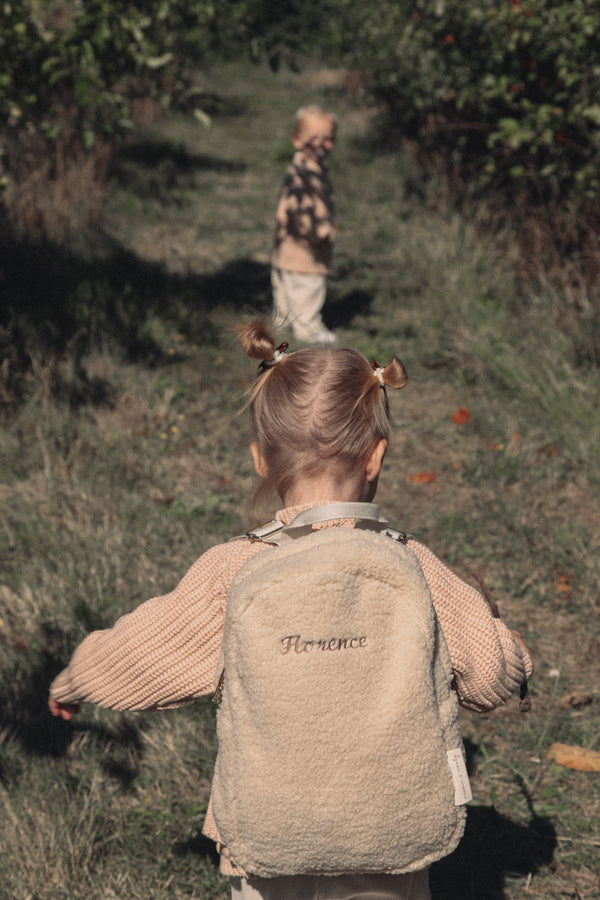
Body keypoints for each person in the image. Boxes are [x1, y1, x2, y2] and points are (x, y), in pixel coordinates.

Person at [49, 320, 534, 900]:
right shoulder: (416, 567)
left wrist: (76, 678)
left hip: (269, 834)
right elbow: (489, 675)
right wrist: (515, 655)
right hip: (390, 833)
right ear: (375, 457)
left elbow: (142, 655)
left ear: (261, 460)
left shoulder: (231, 572)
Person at [271, 105, 338, 345]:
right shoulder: (305, 175)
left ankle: (283, 322)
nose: (321, 144)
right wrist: (321, 232)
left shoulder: (301, 167)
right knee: (307, 288)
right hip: (306, 247)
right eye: (314, 139)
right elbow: (303, 212)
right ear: (297, 140)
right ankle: (309, 330)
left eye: (327, 139)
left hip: (286, 247)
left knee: (287, 286)